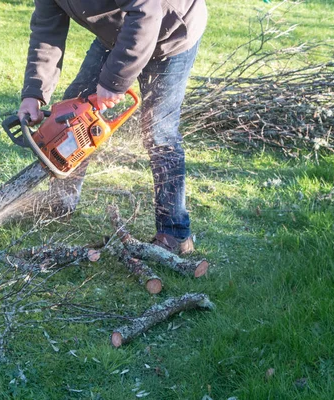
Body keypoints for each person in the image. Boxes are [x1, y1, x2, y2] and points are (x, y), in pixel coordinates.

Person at [17, 0, 207, 255]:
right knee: (74, 110)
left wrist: (114, 81)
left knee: (159, 132)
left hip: (171, 32)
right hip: (122, 33)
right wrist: (34, 92)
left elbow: (145, 13)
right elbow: (46, 31)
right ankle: (61, 202)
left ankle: (175, 234)